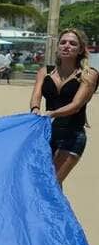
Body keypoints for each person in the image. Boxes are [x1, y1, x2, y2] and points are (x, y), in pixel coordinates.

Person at [30, 28, 98, 183]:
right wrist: (35, 109)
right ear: (58, 46)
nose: (67, 46)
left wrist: (50, 114)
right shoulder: (44, 72)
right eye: (63, 42)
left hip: (72, 136)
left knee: (52, 183)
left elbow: (76, 105)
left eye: (73, 43)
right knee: (41, 182)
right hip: (46, 134)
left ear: (80, 49)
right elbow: (36, 96)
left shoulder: (89, 74)